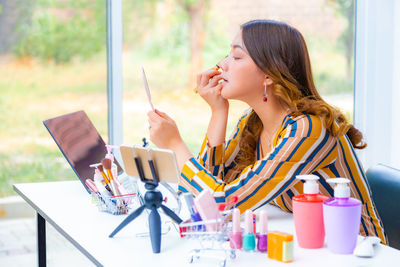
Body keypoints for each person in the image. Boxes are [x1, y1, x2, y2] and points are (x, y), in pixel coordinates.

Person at [147, 20, 387, 243]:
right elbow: (207, 192)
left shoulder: (307, 130)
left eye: (237, 56)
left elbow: (220, 202)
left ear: (269, 75)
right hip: (310, 246)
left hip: (356, 251)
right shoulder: (253, 124)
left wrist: (175, 145)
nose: (222, 64)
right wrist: (218, 112)